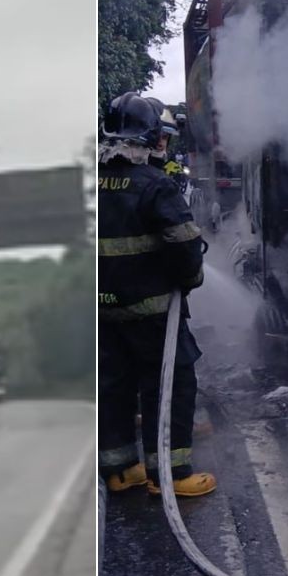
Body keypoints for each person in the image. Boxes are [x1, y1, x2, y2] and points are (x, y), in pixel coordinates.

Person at [98, 92, 217, 497]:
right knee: (170, 383)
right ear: (148, 136)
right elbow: (183, 245)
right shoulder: (154, 185)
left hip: (101, 312)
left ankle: (120, 470)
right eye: (160, 137)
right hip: (151, 312)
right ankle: (170, 473)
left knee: (113, 384)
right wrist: (190, 278)